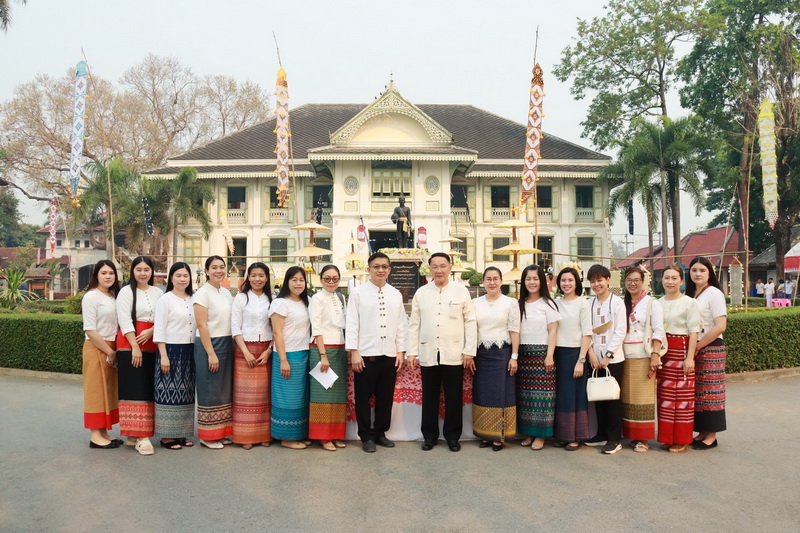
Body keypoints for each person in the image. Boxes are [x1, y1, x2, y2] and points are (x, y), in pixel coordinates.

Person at [408, 252, 477, 452]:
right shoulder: (422, 292)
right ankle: (429, 436)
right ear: (429, 269)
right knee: (429, 397)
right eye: (435, 266)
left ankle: (453, 437)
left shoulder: (461, 291)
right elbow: (414, 324)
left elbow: (470, 322)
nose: (439, 270)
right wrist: (412, 352)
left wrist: (469, 351)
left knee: (453, 397)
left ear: (450, 267)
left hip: (454, 352)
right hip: (428, 350)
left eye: (443, 266)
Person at [346, 252, 407, 453]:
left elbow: (401, 324)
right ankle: (366, 436)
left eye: (384, 267)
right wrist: (354, 352)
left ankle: (381, 433)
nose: (380, 270)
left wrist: (400, 351)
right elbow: (352, 323)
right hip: (365, 355)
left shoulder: (395, 294)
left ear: (389, 270)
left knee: (385, 397)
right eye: (376, 266)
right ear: (369, 269)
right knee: (363, 398)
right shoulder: (358, 293)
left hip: (389, 354)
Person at [115, 256, 162, 456]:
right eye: (139, 269)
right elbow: (124, 319)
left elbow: (163, 317)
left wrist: (152, 331)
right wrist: (134, 346)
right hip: (130, 342)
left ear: (152, 271)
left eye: (146, 269)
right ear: (132, 271)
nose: (143, 273)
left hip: (153, 341)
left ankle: (135, 434)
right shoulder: (126, 292)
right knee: (134, 387)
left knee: (149, 387)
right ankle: (141, 437)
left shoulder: (158, 292)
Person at [471, 267, 520, 451]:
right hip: (481, 355)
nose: (492, 282)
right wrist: (470, 354)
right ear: (483, 281)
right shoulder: (475, 303)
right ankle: (485, 434)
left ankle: (499, 436)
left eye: (496, 279)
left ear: (501, 281)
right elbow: (471, 330)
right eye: (488, 279)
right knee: (483, 394)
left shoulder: (510, 303)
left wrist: (514, 357)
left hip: (502, 354)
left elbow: (514, 331)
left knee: (501, 395)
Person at [516, 264, 561, 450]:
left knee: (542, 398)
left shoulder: (548, 304)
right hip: (523, 355)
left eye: (535, 279)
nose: (532, 282)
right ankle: (528, 432)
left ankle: (541, 436)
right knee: (525, 397)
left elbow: (553, 331)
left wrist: (549, 355)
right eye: (528, 279)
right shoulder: (518, 304)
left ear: (541, 280)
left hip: (542, 355)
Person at [620, 266, 664, 453]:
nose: (632, 283)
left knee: (642, 398)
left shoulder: (651, 303)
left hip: (643, 354)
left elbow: (658, 329)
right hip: (623, 355)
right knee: (626, 397)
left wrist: (655, 354)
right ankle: (630, 435)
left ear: (643, 281)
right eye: (629, 279)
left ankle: (643, 439)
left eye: (636, 280)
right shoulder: (622, 303)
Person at [153, 262, 197, 450]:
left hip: (190, 350)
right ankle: (166, 436)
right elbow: (160, 328)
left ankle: (181, 433)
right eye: (178, 275)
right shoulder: (166, 300)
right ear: (171, 278)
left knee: (186, 393)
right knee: (168, 391)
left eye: (185, 276)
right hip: (170, 349)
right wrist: (163, 355)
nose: (182, 279)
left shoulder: (194, 299)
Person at [657, 264, 700, 453]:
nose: (670, 281)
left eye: (674, 278)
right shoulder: (657, 302)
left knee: (682, 398)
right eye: (666, 277)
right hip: (664, 354)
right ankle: (667, 437)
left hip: (681, 352)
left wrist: (690, 358)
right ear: (661, 280)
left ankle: (682, 439)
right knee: (665, 397)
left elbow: (694, 331)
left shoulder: (690, 303)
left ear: (682, 281)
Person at [686, 256, 727, 450]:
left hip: (711, 348)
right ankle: (702, 432)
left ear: (709, 272)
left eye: (702, 270)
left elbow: (720, 326)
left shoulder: (714, 293)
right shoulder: (691, 294)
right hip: (695, 347)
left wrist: (698, 346)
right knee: (698, 394)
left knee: (711, 394)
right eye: (694, 270)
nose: (698, 274)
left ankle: (711, 436)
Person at [585, 264, 627, 454]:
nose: (596, 284)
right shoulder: (589, 304)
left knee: (612, 399)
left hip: (613, 359)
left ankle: (614, 439)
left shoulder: (617, 303)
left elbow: (620, 331)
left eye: (599, 280)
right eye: (593, 281)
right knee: (598, 397)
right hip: (594, 358)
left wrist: (608, 355)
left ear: (608, 280)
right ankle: (601, 434)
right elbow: (586, 331)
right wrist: (591, 353)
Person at [231, 262, 274, 450]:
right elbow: (235, 327)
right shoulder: (241, 299)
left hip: (266, 350)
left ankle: (264, 435)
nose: (257, 279)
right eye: (254, 275)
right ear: (248, 277)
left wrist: (269, 350)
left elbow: (278, 329)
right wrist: (245, 351)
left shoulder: (273, 299)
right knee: (245, 396)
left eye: (261, 275)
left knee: (264, 395)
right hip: (244, 350)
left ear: (266, 278)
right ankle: (244, 436)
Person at [193, 255, 234, 449]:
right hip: (209, 344)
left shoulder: (226, 293)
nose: (219, 270)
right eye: (214, 267)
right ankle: (207, 435)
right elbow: (201, 325)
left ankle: (222, 432)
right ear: (207, 271)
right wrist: (210, 353)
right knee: (209, 389)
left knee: (223, 390)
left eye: (221, 267)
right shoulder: (202, 293)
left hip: (227, 342)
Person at [269, 266, 312, 449]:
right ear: (287, 281)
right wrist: (284, 360)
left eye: (301, 280)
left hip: (304, 353)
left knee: (301, 397)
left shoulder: (307, 301)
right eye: (294, 279)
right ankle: (286, 437)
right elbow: (277, 333)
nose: (298, 283)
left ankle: (298, 434)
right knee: (287, 398)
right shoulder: (280, 303)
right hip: (286, 355)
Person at [81, 260, 123, 449]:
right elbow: (90, 329)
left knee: (108, 390)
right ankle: (95, 436)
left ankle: (103, 432)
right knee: (96, 391)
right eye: (104, 273)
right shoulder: (91, 297)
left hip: (112, 346)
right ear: (96, 275)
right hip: (97, 346)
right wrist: (109, 351)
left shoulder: (114, 296)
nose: (108, 276)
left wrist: (114, 350)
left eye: (111, 273)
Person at [308, 264, 348, 451]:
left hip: (339, 347)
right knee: (323, 392)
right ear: (320, 279)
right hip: (322, 349)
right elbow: (316, 327)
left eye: (335, 279)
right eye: (327, 278)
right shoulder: (317, 298)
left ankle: (336, 434)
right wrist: (323, 355)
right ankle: (323, 436)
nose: (331, 282)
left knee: (338, 395)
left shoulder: (340, 297)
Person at [553, 267, 592, 451]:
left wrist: (581, 360)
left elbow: (587, 333)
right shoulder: (555, 303)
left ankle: (576, 436)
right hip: (558, 353)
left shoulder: (583, 303)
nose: (566, 284)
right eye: (563, 280)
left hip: (576, 353)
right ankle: (563, 434)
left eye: (570, 280)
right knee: (562, 396)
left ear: (576, 282)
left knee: (576, 396)